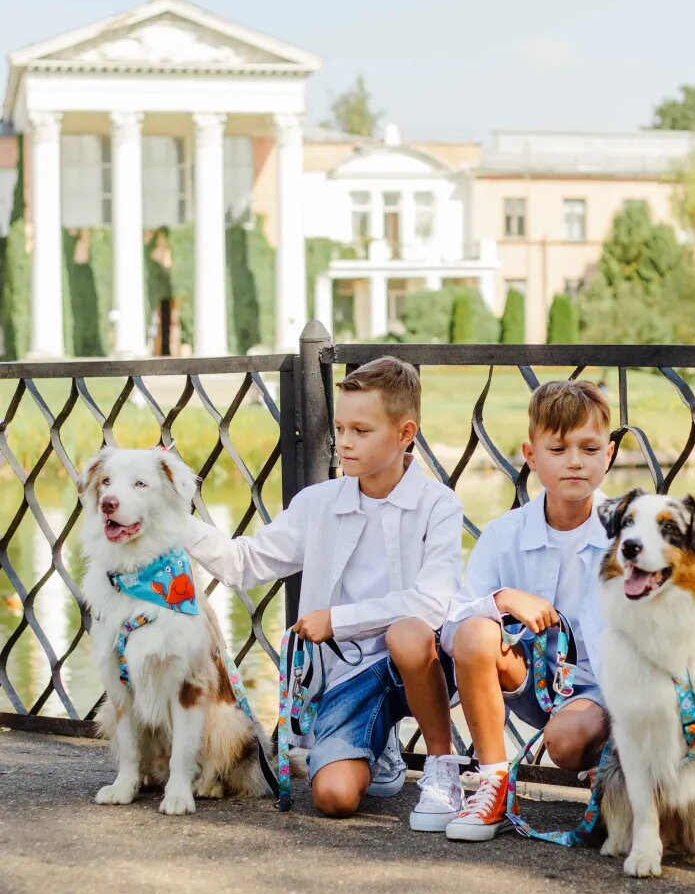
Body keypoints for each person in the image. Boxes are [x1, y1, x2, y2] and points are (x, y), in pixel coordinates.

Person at [180, 356, 465, 829]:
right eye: (340, 429)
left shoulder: (439, 505)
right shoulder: (318, 504)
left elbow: (433, 602)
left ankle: (441, 767)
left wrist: (338, 620)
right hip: (346, 676)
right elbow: (243, 564)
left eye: (361, 431)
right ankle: (377, 745)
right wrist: (172, 520)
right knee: (333, 797)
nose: (345, 442)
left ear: (405, 433)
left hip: (421, 663)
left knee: (409, 634)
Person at [441, 379, 614, 841]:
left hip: (604, 692)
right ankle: (494, 785)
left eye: (589, 448)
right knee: (475, 631)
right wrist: (502, 600)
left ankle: (613, 762)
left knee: (565, 742)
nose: (574, 461)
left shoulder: (627, 533)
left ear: (609, 454)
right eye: (557, 449)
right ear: (531, 455)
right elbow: (452, 630)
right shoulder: (505, 534)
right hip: (534, 683)